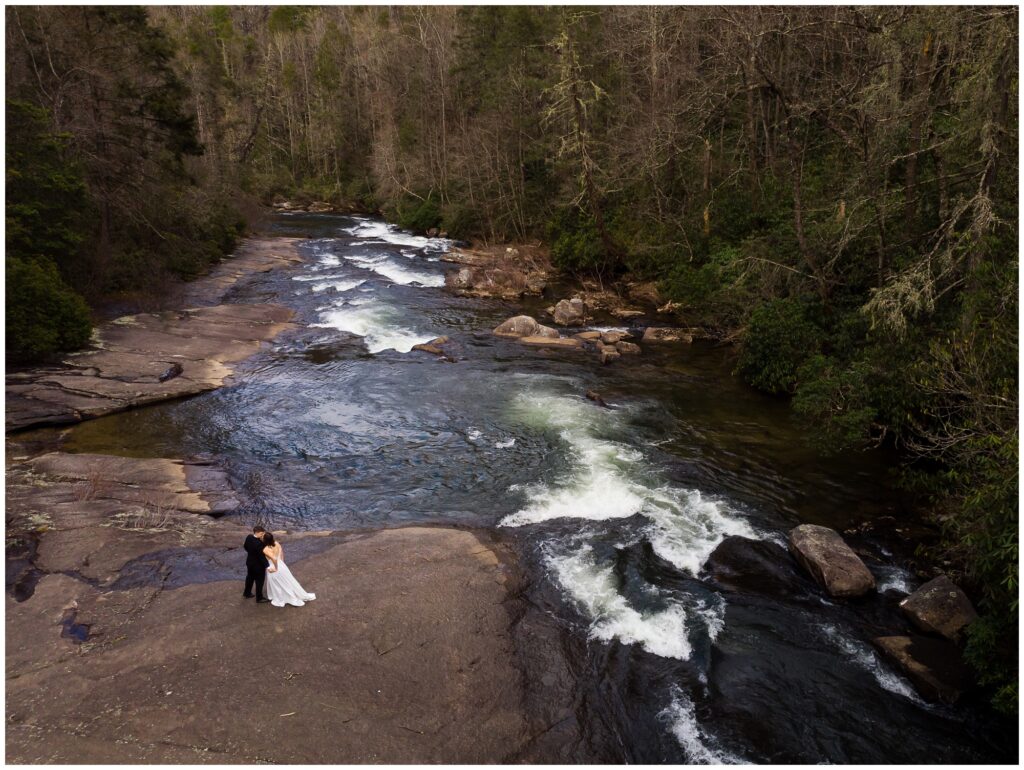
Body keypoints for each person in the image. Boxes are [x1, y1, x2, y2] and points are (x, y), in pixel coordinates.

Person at [262, 531, 316, 607]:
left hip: (274, 566)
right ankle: (292, 594)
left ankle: (282, 597)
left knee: (277, 583)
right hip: (281, 564)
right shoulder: (276, 543)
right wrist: (281, 562)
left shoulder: (265, 549)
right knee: (288, 581)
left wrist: (276, 568)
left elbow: (273, 559)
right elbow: (281, 552)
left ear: (265, 540)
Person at [243, 525, 270, 603]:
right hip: (258, 566)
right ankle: (259, 598)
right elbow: (262, 557)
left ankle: (247, 593)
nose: (263, 535)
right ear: (257, 532)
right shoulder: (260, 544)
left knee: (249, 578)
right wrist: (267, 566)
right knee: (259, 581)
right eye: (261, 533)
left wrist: (251, 553)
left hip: (249, 562)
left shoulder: (249, 537)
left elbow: (245, 546)